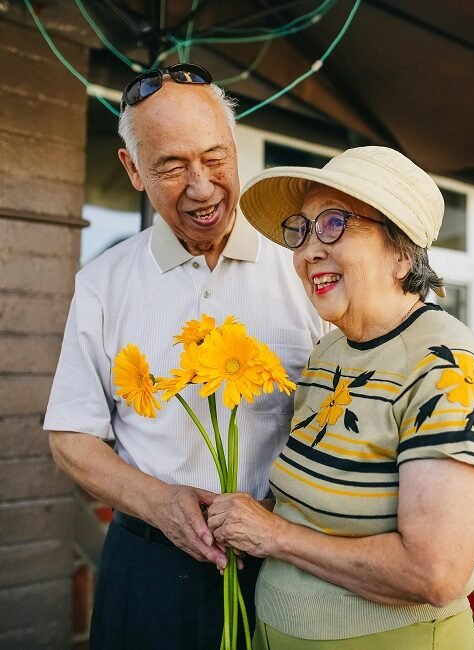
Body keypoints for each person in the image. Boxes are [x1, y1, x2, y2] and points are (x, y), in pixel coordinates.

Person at [44, 64, 325, 649]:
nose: (201, 187)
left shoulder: (306, 268)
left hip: (287, 566)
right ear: (133, 171)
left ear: (236, 148)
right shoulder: (103, 283)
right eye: (172, 166)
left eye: (215, 157)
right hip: (148, 570)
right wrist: (161, 503)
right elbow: (70, 437)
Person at [206, 146, 474, 649]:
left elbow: (435, 574)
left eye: (333, 224)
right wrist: (244, 514)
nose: (307, 252)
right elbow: (322, 506)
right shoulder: (330, 351)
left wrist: (273, 536)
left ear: (400, 251)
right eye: (300, 230)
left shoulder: (444, 364)